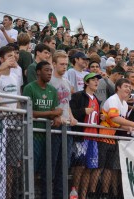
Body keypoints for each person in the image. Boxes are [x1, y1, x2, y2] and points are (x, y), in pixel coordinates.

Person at [97, 78, 134, 198]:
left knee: (109, 168)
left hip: (112, 137)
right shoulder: (113, 99)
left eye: (129, 87)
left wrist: (128, 128)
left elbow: (119, 123)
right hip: (103, 136)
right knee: (99, 168)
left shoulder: (123, 103)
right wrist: (133, 124)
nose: (128, 89)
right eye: (125, 86)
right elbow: (114, 118)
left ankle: (105, 193)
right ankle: (93, 194)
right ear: (118, 87)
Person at [23, 61, 62, 199]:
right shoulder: (29, 88)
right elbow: (29, 112)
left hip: (48, 136)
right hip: (32, 135)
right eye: (47, 70)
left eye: (51, 70)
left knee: (47, 171)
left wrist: (56, 116)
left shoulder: (52, 90)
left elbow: (57, 111)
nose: (50, 73)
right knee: (31, 170)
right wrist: (51, 114)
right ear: (38, 72)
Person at [48, 51, 77, 198]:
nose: (64, 67)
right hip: (54, 127)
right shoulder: (49, 80)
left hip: (67, 126)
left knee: (64, 166)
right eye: (61, 64)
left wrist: (72, 117)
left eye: (66, 64)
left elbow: (67, 104)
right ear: (53, 64)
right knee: (52, 164)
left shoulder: (67, 82)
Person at [69, 73, 102, 199]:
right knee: (79, 167)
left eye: (97, 80)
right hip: (81, 137)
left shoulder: (97, 99)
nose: (96, 82)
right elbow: (71, 112)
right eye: (93, 80)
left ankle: (84, 196)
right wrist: (84, 111)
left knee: (90, 168)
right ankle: (74, 195)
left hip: (93, 137)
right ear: (86, 83)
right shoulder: (78, 96)